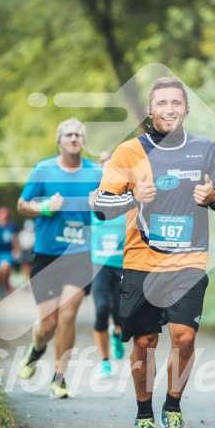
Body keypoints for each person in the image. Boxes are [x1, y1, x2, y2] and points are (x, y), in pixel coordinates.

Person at [94, 77, 215, 428]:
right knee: (144, 341)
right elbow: (100, 206)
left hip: (189, 259)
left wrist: (211, 199)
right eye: (162, 103)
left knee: (184, 336)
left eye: (176, 103)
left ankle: (172, 407)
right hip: (142, 260)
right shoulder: (128, 152)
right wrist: (132, 198)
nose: (170, 109)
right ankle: (144, 417)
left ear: (186, 109)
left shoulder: (206, 149)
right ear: (150, 110)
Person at [17, 117, 102, 399]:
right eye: (69, 134)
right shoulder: (44, 169)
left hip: (79, 255)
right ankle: (36, 349)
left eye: (78, 134)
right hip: (46, 256)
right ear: (59, 139)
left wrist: (98, 204)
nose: (74, 138)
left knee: (68, 313)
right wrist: (44, 207)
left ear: (84, 141)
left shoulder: (95, 172)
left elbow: (111, 207)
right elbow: (22, 205)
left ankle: (59, 378)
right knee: (48, 325)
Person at [89, 152, 126, 379]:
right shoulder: (93, 197)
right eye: (104, 167)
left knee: (121, 314)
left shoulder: (128, 197)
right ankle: (104, 361)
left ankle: (117, 333)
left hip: (123, 264)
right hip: (99, 263)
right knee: (102, 309)